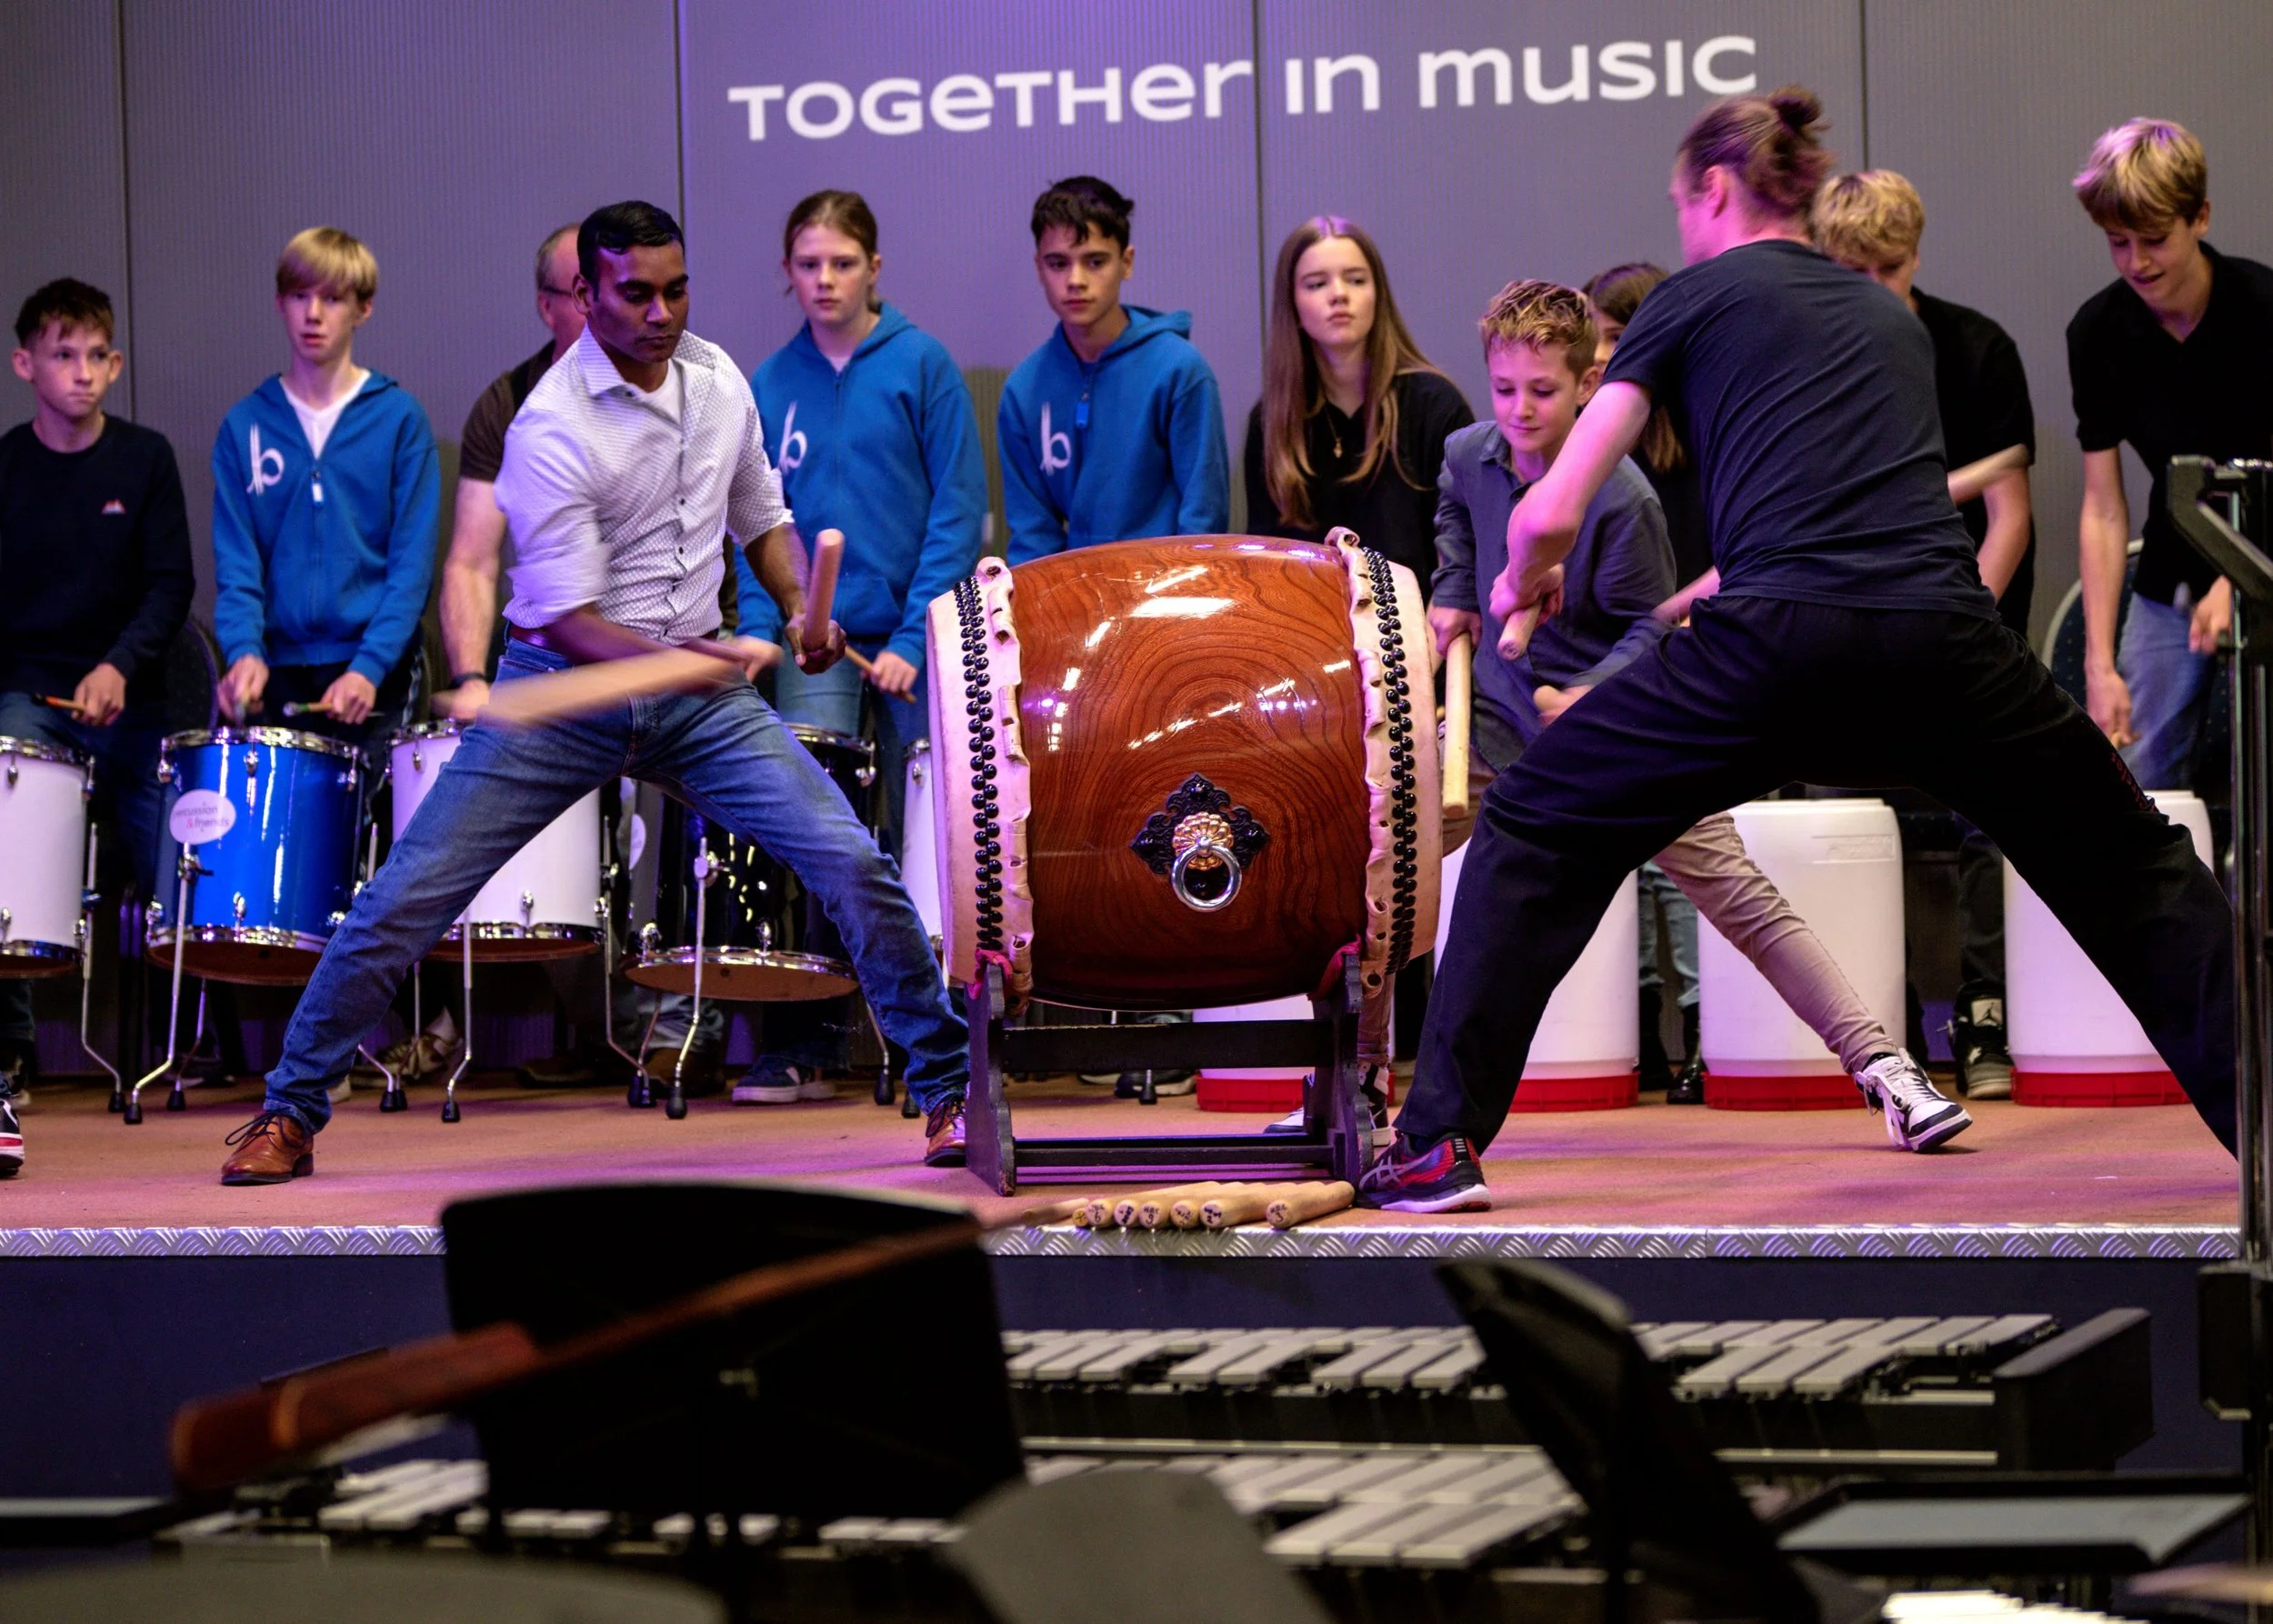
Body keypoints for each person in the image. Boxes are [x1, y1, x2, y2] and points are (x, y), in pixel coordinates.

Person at [1363, 88, 2235, 1213]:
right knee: (2136, 867)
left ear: (1714, 191)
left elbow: (1554, 501)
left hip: (1772, 649)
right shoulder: (1887, 318)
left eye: (1683, 202)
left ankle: (1435, 1144)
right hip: (1946, 648)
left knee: (1533, 823)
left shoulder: (1693, 296)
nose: (1682, 222)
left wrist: (1519, 571)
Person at [215, 201, 968, 1185]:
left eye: (676, 288)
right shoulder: (550, 424)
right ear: (586, 296)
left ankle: (949, 1086)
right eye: (635, 293)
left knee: (852, 864)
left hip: (700, 704)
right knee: (405, 898)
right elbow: (570, 620)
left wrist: (799, 611)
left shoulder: (718, 378)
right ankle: (289, 1109)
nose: (661, 312)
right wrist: (686, 658)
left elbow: (764, 518)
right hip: (566, 689)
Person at [1421, 277, 1947, 1207]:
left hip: (1620, 733)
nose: (1518, 411)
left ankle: (1886, 1070)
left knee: (1737, 896)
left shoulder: (1619, 496)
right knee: (1389, 870)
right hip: (1498, 725)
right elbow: (1457, 528)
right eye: (1503, 389)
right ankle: (1350, 1092)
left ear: (1587, 387)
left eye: (1541, 393)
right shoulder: (1467, 452)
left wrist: (1587, 694)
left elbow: (1645, 628)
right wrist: (1455, 593)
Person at [726, 188, 985, 1106]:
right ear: (787, 273)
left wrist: (917, 629)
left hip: (911, 644)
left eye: (842, 263)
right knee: (819, 840)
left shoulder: (921, 366)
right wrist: (769, 624)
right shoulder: (765, 383)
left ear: (875, 268)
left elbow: (957, 511)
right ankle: (797, 1042)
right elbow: (753, 520)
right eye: (808, 264)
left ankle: (933, 1053)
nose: (825, 280)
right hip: (812, 649)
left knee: (922, 845)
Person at [1812, 170, 2040, 1098]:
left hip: (1966, 623)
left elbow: (2009, 511)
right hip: (1855, 626)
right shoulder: (1808, 359)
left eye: (1892, 270)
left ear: (1918, 256)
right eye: (1852, 274)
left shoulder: (1975, 347)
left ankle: (1982, 1018)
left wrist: (1960, 631)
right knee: (1842, 820)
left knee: (1989, 812)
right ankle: (1885, 1029)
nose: (1876, 291)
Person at [0, 277, 194, 1171]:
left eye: (95, 357)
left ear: (115, 364)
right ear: (25, 363)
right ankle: (10, 1055)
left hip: (130, 704)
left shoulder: (146, 459)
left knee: (184, 854)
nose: (81, 374)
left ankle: (177, 1052)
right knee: (6, 846)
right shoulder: (6, 467)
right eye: (62, 355)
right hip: (31, 702)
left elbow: (170, 587)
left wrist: (118, 665)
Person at [2068, 117, 2273, 794]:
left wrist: (2238, 577)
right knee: (2137, 779)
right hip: (2171, 573)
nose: (2137, 263)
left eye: (2155, 239)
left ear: (2201, 218)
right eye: (2117, 243)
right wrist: (2100, 663)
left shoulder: (2263, 308)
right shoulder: (2099, 332)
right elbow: (2103, 506)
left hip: (2268, 553)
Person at [211, 227, 440, 766]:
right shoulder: (244, 425)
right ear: (279, 304)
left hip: (374, 667)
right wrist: (245, 653)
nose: (313, 314)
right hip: (277, 668)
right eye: (299, 296)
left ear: (363, 309)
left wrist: (369, 666)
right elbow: (237, 565)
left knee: (361, 834)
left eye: (332, 298)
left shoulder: (399, 419)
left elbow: (411, 568)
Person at [1583, 263, 1707, 1100]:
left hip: (1702, 649)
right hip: (1611, 665)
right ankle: (1636, 1033)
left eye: (1609, 338)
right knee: (1611, 857)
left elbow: (1734, 558)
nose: (1597, 356)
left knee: (1684, 857)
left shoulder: (1705, 425)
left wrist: (1668, 617)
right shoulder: (1592, 443)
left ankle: (1700, 1035)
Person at [998, 175, 1228, 562]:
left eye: (1095, 261)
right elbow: (1033, 537)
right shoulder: (1023, 391)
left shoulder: (1179, 372)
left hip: (1168, 601)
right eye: (1058, 263)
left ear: (1127, 262)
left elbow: (1203, 521)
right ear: (1039, 268)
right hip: (1076, 606)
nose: (1075, 280)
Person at [1242, 215, 1472, 584]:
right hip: (1310, 627)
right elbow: (1264, 562)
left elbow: (1465, 554)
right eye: (1317, 283)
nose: (1338, 294)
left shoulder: (1436, 406)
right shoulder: (1271, 419)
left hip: (1416, 629)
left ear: (1377, 295)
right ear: (1293, 305)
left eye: (1356, 280)